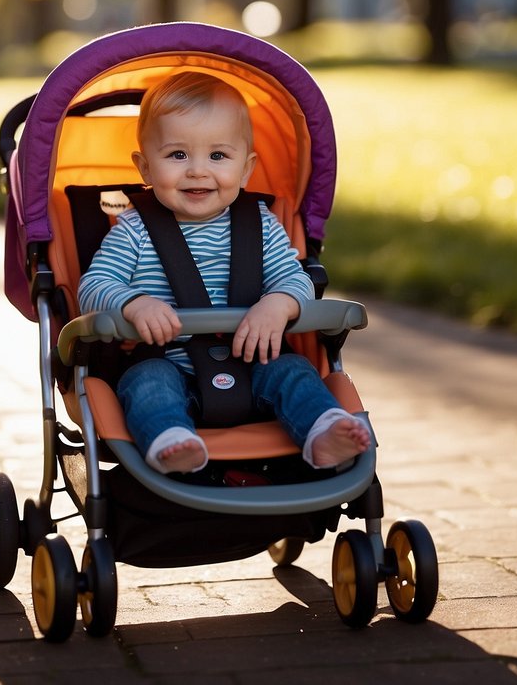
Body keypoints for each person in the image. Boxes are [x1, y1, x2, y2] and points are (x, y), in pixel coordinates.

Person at [77, 71, 371, 474]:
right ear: (145, 168)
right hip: (167, 363)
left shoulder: (261, 225)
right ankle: (170, 440)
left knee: (293, 372)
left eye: (218, 156)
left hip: (254, 364)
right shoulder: (133, 229)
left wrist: (278, 304)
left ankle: (323, 431)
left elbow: (296, 278)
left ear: (247, 169)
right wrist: (134, 304)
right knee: (146, 383)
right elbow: (94, 286)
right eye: (177, 155)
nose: (198, 171)